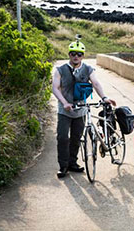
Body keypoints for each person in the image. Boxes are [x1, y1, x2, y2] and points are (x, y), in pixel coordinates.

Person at [51, 38, 116, 178]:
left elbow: (96, 83)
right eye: (73, 53)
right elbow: (55, 88)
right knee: (62, 137)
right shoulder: (60, 70)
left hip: (81, 109)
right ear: (69, 54)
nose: (76, 56)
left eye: (79, 54)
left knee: (76, 138)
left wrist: (104, 97)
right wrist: (64, 103)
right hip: (65, 110)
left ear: (83, 56)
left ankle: (72, 163)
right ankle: (63, 167)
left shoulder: (88, 69)